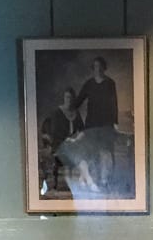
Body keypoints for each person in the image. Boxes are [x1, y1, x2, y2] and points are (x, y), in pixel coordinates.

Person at [75, 56, 119, 190]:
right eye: (95, 66)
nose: (98, 69)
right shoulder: (89, 84)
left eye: (100, 66)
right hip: (92, 124)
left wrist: (115, 122)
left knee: (106, 152)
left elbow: (114, 103)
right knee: (91, 152)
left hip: (106, 124)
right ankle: (92, 180)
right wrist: (68, 111)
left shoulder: (110, 83)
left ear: (104, 68)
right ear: (92, 69)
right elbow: (78, 102)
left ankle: (105, 180)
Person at [38, 87, 84, 194]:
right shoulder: (57, 113)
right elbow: (50, 130)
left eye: (71, 98)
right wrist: (61, 140)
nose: (69, 100)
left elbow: (82, 130)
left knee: (82, 153)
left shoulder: (76, 114)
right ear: (64, 98)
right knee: (63, 153)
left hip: (73, 143)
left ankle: (79, 182)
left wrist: (76, 139)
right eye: (67, 97)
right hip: (58, 143)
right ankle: (60, 183)